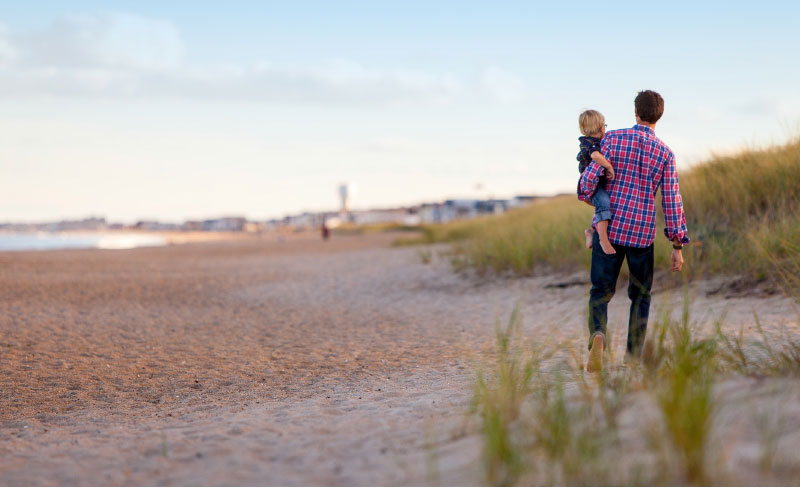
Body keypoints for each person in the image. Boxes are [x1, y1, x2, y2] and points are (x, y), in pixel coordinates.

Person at [578, 90, 689, 372]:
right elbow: (672, 200)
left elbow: (588, 181)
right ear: (659, 116)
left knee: (600, 292)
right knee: (640, 296)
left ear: (636, 112)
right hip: (642, 234)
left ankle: (598, 335)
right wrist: (677, 245)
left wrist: (588, 194)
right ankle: (633, 358)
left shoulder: (612, 139)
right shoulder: (665, 154)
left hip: (610, 229)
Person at [577, 110, 616, 255]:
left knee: (602, 205)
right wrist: (609, 166)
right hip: (591, 183)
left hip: (595, 182)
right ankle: (603, 240)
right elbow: (595, 156)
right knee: (604, 202)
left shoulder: (588, 141)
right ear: (601, 128)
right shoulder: (592, 143)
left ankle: (591, 231)